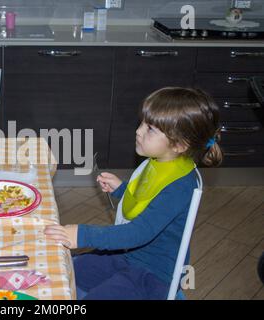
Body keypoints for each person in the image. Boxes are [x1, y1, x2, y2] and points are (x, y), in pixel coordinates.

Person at [44, 87, 223, 300]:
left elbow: (139, 232)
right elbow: (148, 197)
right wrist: (122, 189)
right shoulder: (160, 160)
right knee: (67, 271)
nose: (138, 131)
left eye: (150, 129)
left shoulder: (181, 186)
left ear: (179, 144)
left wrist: (83, 235)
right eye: (142, 123)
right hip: (128, 255)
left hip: (152, 274)